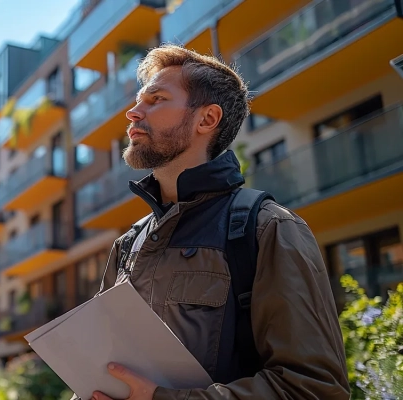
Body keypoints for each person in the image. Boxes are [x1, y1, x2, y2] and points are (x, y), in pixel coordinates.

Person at [81, 44, 350, 400]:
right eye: (138, 100)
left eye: (156, 99)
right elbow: (103, 368)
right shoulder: (129, 244)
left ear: (206, 120)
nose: (133, 112)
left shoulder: (268, 229)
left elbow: (313, 389)